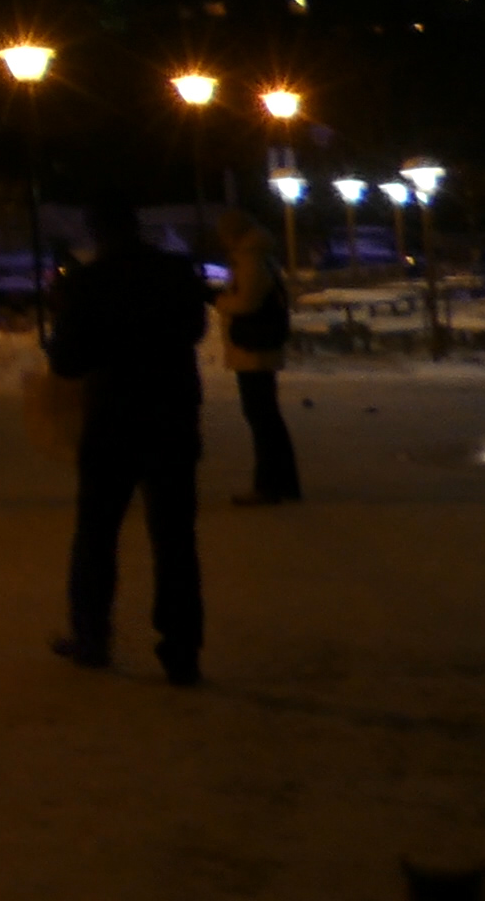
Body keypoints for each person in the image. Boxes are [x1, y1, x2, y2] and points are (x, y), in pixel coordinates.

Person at [45, 194, 210, 685]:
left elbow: (67, 362)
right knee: (175, 538)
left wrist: (68, 325)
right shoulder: (175, 272)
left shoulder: (87, 283)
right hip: (172, 416)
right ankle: (182, 649)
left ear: (97, 232)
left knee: (97, 533)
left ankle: (92, 636)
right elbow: (196, 329)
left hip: (113, 419)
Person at [211, 206, 300, 506]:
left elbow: (246, 303)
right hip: (258, 348)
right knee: (267, 417)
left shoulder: (250, 259)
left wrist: (218, 300)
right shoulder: (258, 256)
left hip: (253, 349)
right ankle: (284, 482)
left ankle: (268, 485)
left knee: (261, 417)